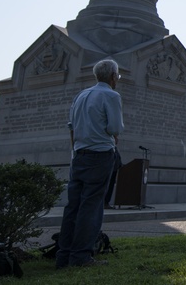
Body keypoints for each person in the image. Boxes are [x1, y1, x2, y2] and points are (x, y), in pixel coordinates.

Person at [56, 58, 124, 268]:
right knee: (91, 207)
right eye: (117, 76)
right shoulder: (111, 95)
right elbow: (115, 128)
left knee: (73, 206)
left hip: (79, 155)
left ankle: (63, 256)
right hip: (100, 155)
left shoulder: (81, 95)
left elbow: (71, 127)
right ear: (113, 77)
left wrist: (75, 151)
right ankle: (81, 257)